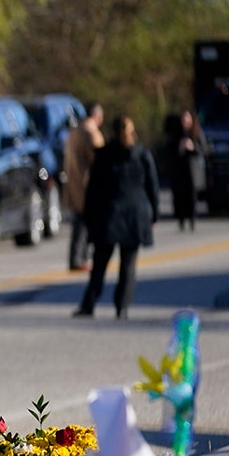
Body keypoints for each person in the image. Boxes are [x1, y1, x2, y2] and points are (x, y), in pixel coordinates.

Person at [73, 115, 159, 320]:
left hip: (108, 215)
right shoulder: (142, 155)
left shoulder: (103, 156)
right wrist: (153, 214)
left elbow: (92, 189)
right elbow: (152, 187)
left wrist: (88, 216)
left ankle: (89, 304)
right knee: (128, 266)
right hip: (134, 217)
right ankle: (122, 307)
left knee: (100, 264)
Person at [64, 102, 105, 271]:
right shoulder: (90, 132)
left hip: (74, 182)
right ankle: (80, 258)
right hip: (87, 184)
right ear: (97, 116)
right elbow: (100, 158)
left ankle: (77, 257)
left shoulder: (75, 131)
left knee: (79, 222)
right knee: (85, 224)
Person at [168, 108, 206, 232]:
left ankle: (192, 219)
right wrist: (180, 146)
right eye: (183, 118)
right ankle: (181, 219)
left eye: (187, 118)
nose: (185, 120)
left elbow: (204, 150)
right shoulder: (177, 133)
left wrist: (192, 147)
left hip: (193, 171)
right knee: (180, 196)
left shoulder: (196, 133)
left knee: (191, 197)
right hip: (180, 170)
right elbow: (170, 150)